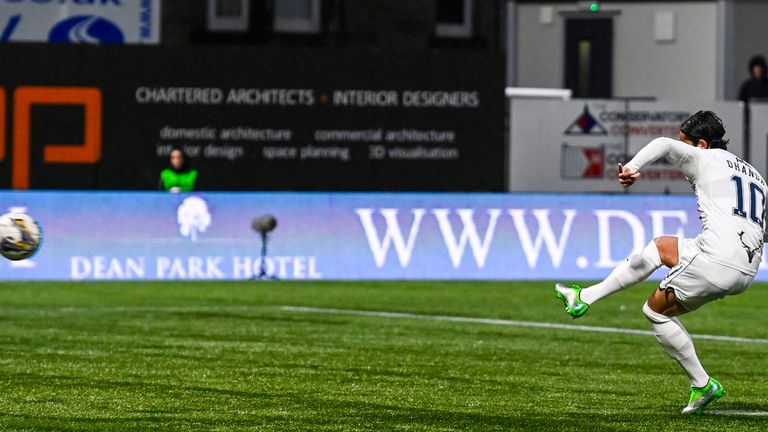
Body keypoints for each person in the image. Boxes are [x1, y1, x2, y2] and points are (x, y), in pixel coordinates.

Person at [555, 111, 767, 415]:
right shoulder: (755, 176)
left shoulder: (704, 158)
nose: (684, 154)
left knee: (654, 311)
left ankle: (702, 384)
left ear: (702, 144)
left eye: (689, 145)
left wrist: (631, 168)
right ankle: (583, 297)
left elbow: (663, 145)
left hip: (717, 261)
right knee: (661, 248)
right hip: (747, 266)